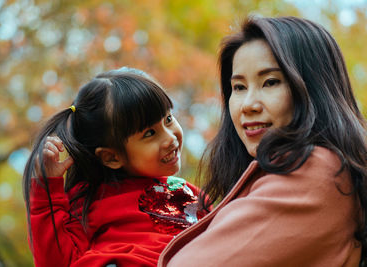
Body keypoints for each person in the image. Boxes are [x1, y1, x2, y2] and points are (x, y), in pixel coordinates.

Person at [158, 16, 367, 267]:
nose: (248, 105)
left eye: (270, 82)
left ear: (313, 89)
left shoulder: (316, 169)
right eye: (239, 87)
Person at [22, 68, 207, 267]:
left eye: (168, 119)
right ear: (111, 157)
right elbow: (58, 261)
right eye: (149, 134)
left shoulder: (190, 193)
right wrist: (47, 193)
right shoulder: (89, 202)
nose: (170, 138)